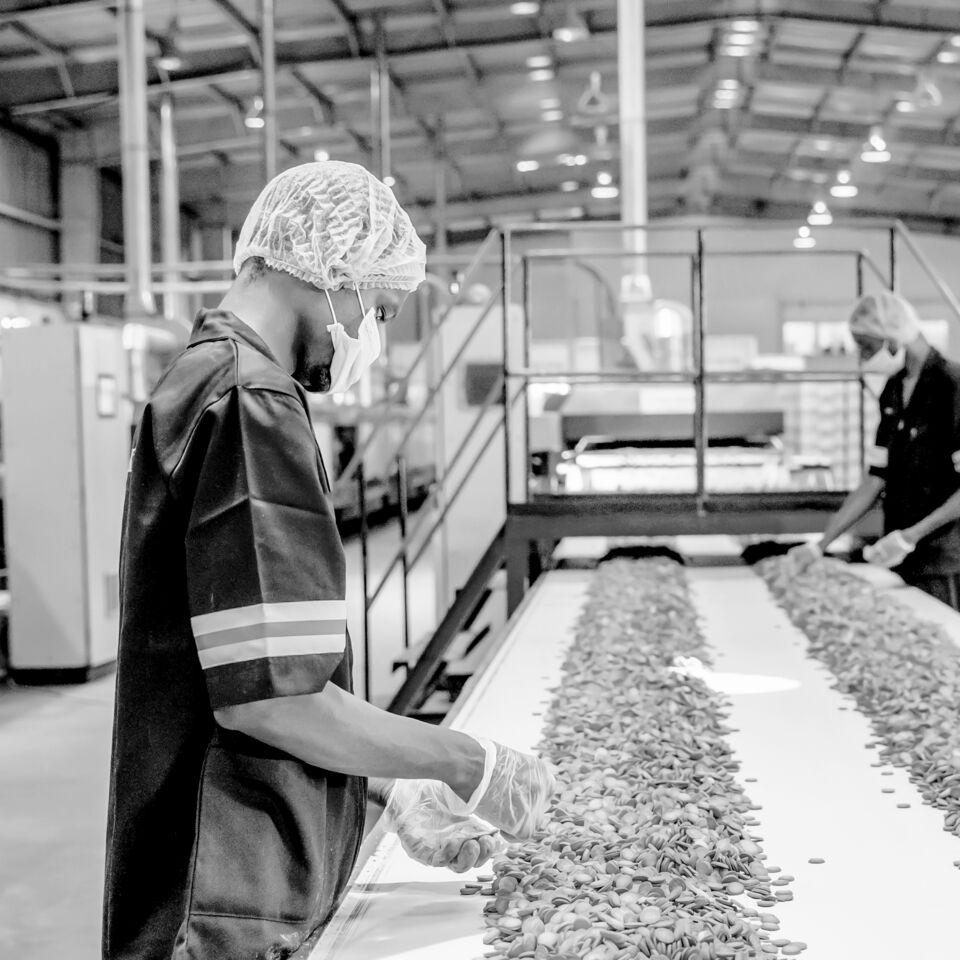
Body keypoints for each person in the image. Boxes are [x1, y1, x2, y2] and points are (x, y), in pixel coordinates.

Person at [103, 161, 556, 960]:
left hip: (202, 863)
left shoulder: (202, 379)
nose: (371, 340)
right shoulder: (254, 404)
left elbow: (243, 669)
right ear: (329, 269)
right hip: (224, 895)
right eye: (377, 309)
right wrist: (466, 762)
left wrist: (387, 783)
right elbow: (270, 701)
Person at [789, 290, 960, 608]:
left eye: (868, 348)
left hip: (943, 559)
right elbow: (875, 478)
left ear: (892, 337)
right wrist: (820, 544)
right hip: (899, 553)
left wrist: (913, 536)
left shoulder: (952, 386)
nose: (866, 359)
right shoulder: (894, 390)